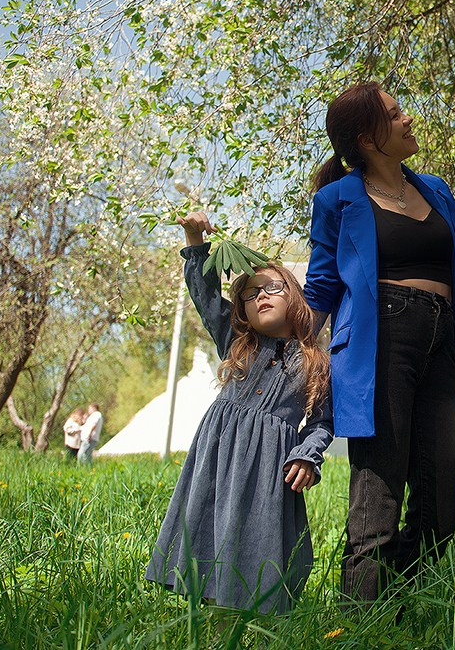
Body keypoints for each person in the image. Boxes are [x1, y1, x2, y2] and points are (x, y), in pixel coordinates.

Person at [304, 82, 455, 603]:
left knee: (442, 493)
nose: (408, 118)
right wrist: (292, 353)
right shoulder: (338, 198)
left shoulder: (434, 189)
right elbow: (321, 285)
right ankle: (359, 620)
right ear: (367, 137)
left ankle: (399, 601)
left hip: (442, 340)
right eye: (395, 113)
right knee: (380, 486)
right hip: (380, 338)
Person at [145, 212, 334, 614]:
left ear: (295, 296)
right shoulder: (236, 342)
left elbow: (321, 422)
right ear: (242, 311)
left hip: (270, 468)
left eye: (272, 287)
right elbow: (205, 294)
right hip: (219, 456)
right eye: (250, 294)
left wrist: (307, 455)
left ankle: (256, 621)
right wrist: (195, 241)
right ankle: (214, 621)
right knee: (212, 527)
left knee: (260, 540)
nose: (261, 295)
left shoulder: (317, 362)